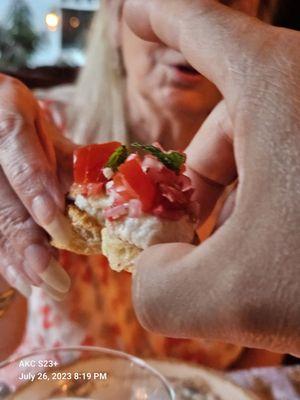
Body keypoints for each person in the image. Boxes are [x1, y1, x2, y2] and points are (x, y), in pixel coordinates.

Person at [0, 0, 285, 367]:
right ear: (117, 22)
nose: (189, 31)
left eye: (224, 4)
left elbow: (262, 354)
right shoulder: (37, 143)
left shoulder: (276, 169)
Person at [124, 0, 300, 357]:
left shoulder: (266, 174)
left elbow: (260, 362)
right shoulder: (42, 141)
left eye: (224, 4)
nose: (180, 40)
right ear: (114, 29)